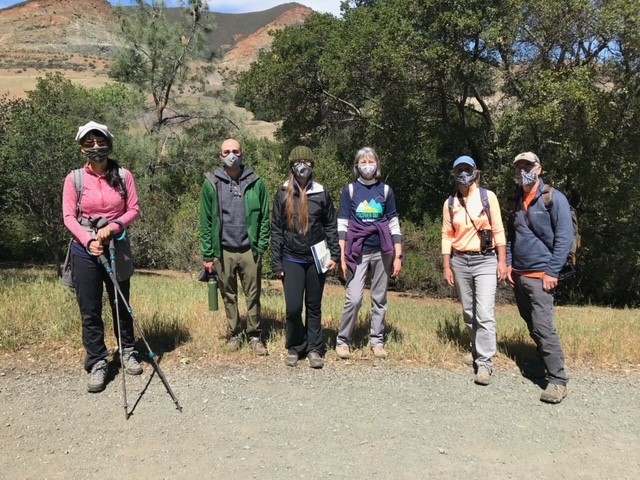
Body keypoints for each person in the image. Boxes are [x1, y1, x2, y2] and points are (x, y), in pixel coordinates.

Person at [62, 121, 142, 393]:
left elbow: (134, 209)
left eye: (100, 141)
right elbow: (69, 217)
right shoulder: (74, 179)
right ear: (81, 147)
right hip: (84, 250)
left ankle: (127, 350)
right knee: (90, 308)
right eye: (89, 143)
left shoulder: (123, 175)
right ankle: (97, 360)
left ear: (109, 143)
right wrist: (89, 241)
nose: (96, 147)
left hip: (116, 245)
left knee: (121, 301)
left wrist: (114, 227)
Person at [507, 151, 573, 404]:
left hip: (542, 274)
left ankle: (557, 380)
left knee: (544, 326)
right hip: (519, 274)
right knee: (531, 323)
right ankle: (542, 363)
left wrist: (552, 272)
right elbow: (513, 237)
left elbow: (565, 238)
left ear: (539, 169)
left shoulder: (553, 199)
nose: (522, 171)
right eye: (519, 167)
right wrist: (511, 265)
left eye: (527, 166)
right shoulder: (516, 200)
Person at [199, 138, 270, 355]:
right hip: (224, 250)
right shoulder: (212, 183)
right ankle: (234, 333)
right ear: (220, 155)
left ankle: (255, 335)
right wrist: (208, 254)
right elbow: (205, 222)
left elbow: (265, 217)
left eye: (236, 151)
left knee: (253, 294)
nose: (232, 155)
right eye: (227, 151)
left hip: (250, 249)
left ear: (242, 153)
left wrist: (261, 245)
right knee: (228, 294)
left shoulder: (256, 182)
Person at [271, 146, 340, 368]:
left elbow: (331, 225)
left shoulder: (321, 193)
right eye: (298, 162)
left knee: (313, 305)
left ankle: (314, 348)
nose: (303, 167)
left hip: (316, 259)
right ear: (291, 165)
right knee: (292, 308)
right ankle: (295, 346)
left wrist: (335, 255)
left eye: (307, 163)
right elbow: (276, 229)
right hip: (291, 258)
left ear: (312, 165)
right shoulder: (282, 193)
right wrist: (277, 261)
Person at [441, 155, 507, 385]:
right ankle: (477, 349)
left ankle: (485, 363)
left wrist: (502, 261)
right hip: (460, 261)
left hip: (486, 260)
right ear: (454, 174)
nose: (463, 174)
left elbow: (498, 230)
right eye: (459, 170)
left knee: (485, 313)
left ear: (475, 172)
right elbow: (447, 235)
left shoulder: (488, 198)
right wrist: (446, 265)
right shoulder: (450, 203)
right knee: (469, 312)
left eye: (467, 169)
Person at [335, 147, 403, 360]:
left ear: (377, 165)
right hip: (357, 251)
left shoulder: (385, 191)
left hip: (383, 250)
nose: (367, 165)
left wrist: (398, 255)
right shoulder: (350, 190)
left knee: (379, 298)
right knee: (354, 298)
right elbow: (343, 223)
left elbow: (393, 222)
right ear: (357, 166)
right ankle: (343, 341)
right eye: (362, 161)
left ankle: (377, 341)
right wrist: (342, 255)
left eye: (370, 161)